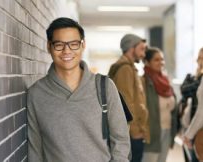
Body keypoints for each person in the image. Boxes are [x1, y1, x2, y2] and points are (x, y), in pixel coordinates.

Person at [27, 17, 130, 162]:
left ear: (83, 45)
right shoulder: (36, 94)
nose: (66, 50)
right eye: (59, 45)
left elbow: (121, 140)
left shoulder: (105, 87)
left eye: (73, 44)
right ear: (49, 46)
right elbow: (35, 149)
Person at [108, 34, 149, 162]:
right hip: (131, 132)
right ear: (132, 48)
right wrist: (135, 131)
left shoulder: (130, 68)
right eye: (141, 49)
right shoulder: (125, 69)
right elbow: (126, 103)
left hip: (132, 131)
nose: (143, 54)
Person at [141, 47, 177, 162]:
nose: (161, 62)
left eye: (162, 59)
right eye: (156, 60)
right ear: (147, 62)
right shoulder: (143, 82)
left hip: (167, 130)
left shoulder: (166, 81)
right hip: (152, 132)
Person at [179, 46, 203, 162]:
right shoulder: (193, 77)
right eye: (199, 57)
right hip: (188, 125)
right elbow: (184, 90)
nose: (200, 61)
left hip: (202, 128)